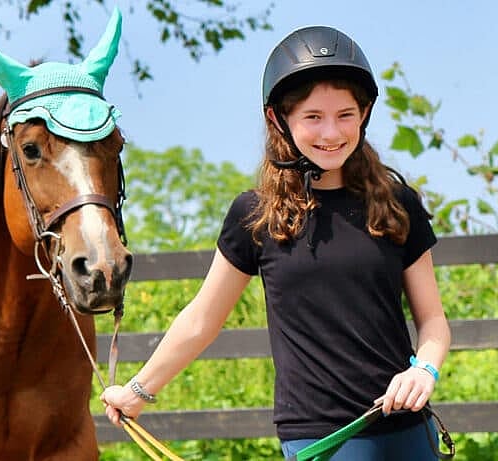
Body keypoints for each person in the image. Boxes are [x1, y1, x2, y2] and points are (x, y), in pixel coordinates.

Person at [100, 25, 452, 460]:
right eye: (313, 117)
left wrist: (424, 370)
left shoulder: (398, 206)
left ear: (364, 115)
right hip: (320, 439)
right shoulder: (256, 216)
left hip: (407, 429)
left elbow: (433, 321)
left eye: (345, 115)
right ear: (278, 119)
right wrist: (138, 391)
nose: (331, 132)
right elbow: (201, 321)